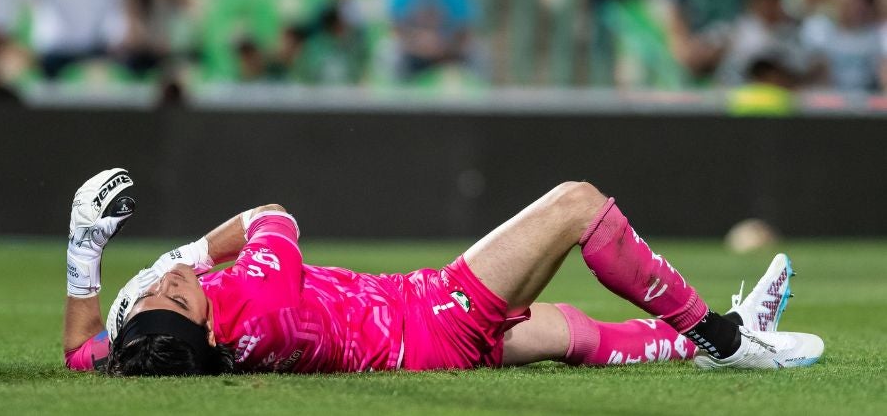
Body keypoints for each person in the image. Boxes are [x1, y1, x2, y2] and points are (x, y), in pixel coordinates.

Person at [62, 168, 823, 376]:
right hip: (433, 311)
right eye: (176, 294)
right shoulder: (253, 297)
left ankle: (719, 336)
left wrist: (85, 249)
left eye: (162, 287)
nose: (166, 284)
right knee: (575, 205)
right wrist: (187, 253)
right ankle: (724, 336)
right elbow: (275, 216)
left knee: (578, 335)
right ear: (200, 320)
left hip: (419, 344)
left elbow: (82, 349)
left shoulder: (167, 349)